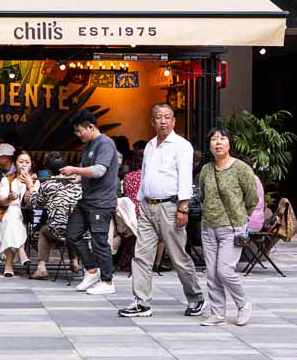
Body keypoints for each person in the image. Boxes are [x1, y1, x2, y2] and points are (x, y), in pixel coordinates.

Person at [119, 104, 204, 318]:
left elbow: (185, 177)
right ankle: (142, 302)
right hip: (148, 206)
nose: (163, 121)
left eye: (167, 117)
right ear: (152, 122)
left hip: (170, 206)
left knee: (178, 256)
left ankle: (196, 297)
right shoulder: (149, 146)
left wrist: (183, 208)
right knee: (141, 256)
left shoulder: (182, 146)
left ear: (174, 121)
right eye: (158, 117)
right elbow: (146, 176)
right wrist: (140, 204)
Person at [197, 126, 258, 326]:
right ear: (210, 145)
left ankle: (243, 305)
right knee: (212, 273)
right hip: (208, 227)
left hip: (232, 228)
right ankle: (217, 313)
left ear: (230, 143)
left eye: (222, 138)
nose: (218, 142)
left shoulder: (241, 168)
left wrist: (242, 218)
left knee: (225, 271)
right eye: (214, 139)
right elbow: (203, 196)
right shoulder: (206, 169)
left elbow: (252, 198)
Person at [60, 110, 119, 295]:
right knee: (71, 235)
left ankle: (108, 282)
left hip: (101, 202)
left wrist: (74, 170)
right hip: (87, 200)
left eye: (79, 131)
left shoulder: (105, 144)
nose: (77, 135)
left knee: (99, 241)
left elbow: (100, 170)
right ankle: (92, 270)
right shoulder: (88, 145)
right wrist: (79, 178)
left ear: (91, 127)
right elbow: (90, 172)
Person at [22, 152, 82, 279]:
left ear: (48, 171)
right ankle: (74, 261)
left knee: (44, 231)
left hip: (59, 229)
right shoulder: (77, 183)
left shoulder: (48, 184)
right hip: (81, 230)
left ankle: (41, 268)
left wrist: (30, 185)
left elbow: (35, 203)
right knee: (70, 223)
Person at [0, 151, 38, 277]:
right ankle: (21, 251)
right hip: (6, 213)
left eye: (27, 162)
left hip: (26, 215)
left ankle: (9, 265)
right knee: (13, 216)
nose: (24, 164)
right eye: (20, 162)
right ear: (15, 164)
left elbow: (31, 202)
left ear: (31, 165)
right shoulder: (7, 180)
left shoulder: (35, 181)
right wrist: (9, 198)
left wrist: (30, 185)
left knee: (14, 218)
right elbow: (2, 202)